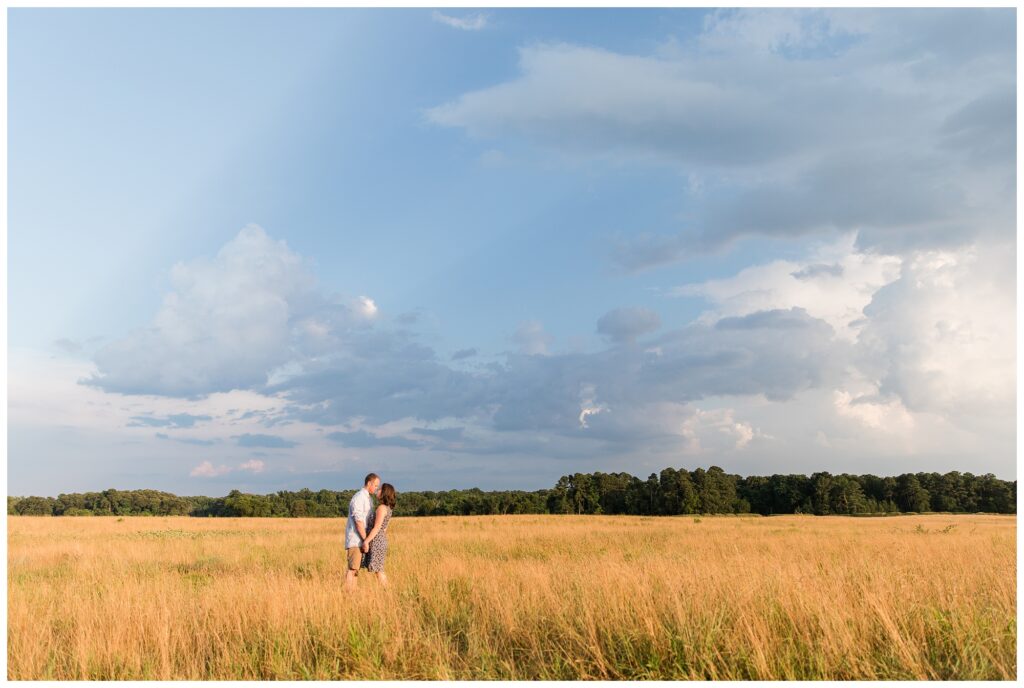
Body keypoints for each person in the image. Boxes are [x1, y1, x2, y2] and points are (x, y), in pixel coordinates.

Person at [344, 473, 380, 590]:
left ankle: (352, 593)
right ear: (369, 483)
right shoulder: (359, 497)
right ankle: (348, 593)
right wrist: (366, 540)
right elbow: (358, 521)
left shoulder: (368, 498)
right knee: (353, 568)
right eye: (375, 485)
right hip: (356, 539)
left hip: (361, 539)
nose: (376, 488)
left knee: (356, 569)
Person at [360, 483, 395, 587]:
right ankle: (386, 589)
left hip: (376, 540)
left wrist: (366, 541)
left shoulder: (381, 508)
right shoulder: (388, 508)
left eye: (379, 489)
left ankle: (386, 589)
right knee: (378, 569)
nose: (377, 490)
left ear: (384, 493)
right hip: (381, 540)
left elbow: (377, 527)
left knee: (378, 570)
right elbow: (385, 528)